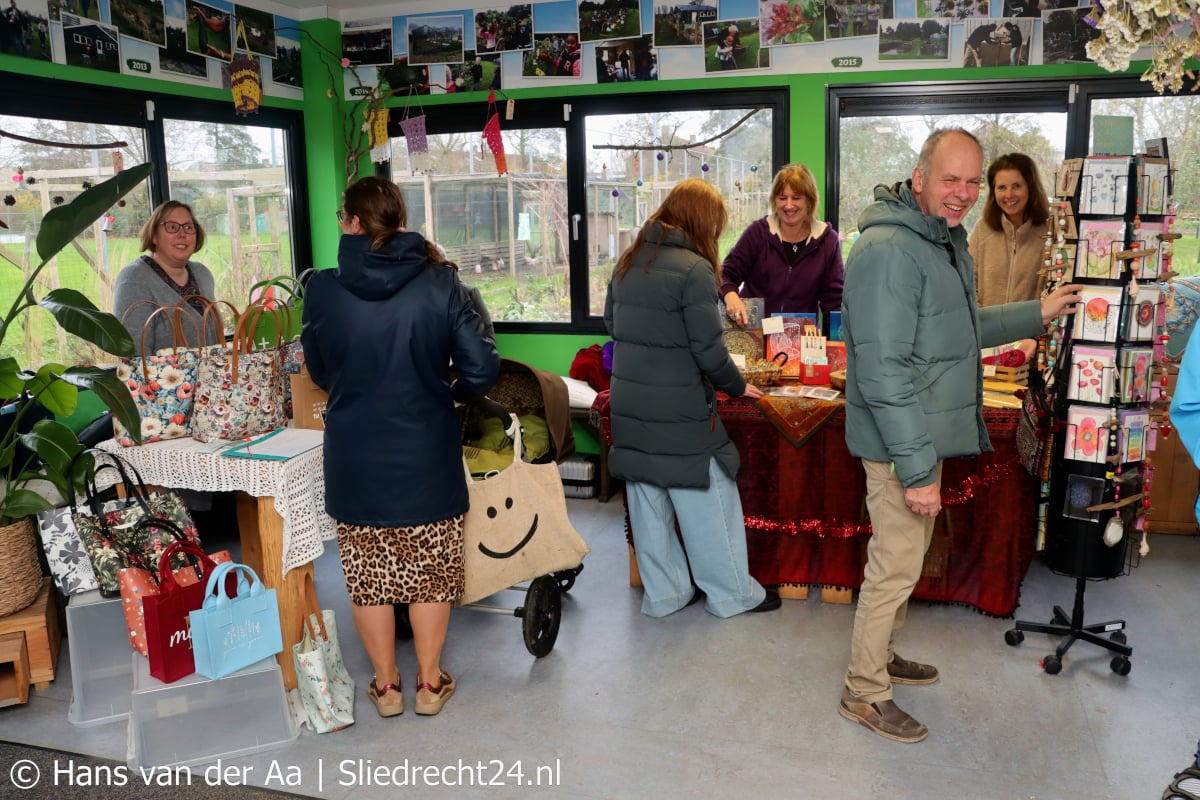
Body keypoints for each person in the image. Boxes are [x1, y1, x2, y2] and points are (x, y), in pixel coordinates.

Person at [838, 128, 1082, 743]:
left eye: (974, 182)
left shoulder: (936, 239)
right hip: (904, 445)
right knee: (893, 567)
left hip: (921, 437)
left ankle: (882, 657)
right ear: (918, 175)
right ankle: (863, 691)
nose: (965, 194)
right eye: (953, 179)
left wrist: (1038, 311)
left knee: (906, 560)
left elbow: (960, 326)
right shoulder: (889, 250)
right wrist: (918, 471)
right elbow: (883, 370)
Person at [302, 177, 499, 719]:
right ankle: (429, 685)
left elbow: (319, 371)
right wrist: (446, 391)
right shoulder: (442, 283)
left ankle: (386, 688)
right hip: (426, 454)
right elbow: (482, 369)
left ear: (354, 222)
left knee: (369, 579)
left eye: (344, 216)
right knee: (431, 574)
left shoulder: (321, 288)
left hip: (354, 456)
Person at [604, 178, 780, 619]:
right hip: (680, 406)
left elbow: (612, 324)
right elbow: (708, 350)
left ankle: (666, 594)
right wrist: (739, 386)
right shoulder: (695, 269)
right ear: (702, 222)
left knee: (648, 503)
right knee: (708, 496)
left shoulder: (627, 261)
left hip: (629, 401)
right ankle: (731, 594)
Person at [720, 162, 844, 323]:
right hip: (754, 336)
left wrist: (834, 342)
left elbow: (834, 302)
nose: (789, 205)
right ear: (774, 200)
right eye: (782, 198)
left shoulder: (828, 241)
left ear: (810, 201)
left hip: (800, 340)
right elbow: (726, 274)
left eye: (796, 198)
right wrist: (730, 295)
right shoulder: (757, 233)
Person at [968, 152, 1051, 361]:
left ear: (1030, 187)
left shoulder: (1050, 232)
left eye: (1017, 186)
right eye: (1001, 187)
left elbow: (1051, 294)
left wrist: (1034, 336)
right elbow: (967, 286)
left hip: (1031, 349)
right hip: (985, 346)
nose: (1009, 195)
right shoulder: (982, 230)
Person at [112, 200, 223, 355]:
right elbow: (132, 353)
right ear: (154, 236)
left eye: (189, 228)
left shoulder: (202, 274)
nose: (182, 234)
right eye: (172, 227)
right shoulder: (134, 278)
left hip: (212, 377)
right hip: (163, 379)